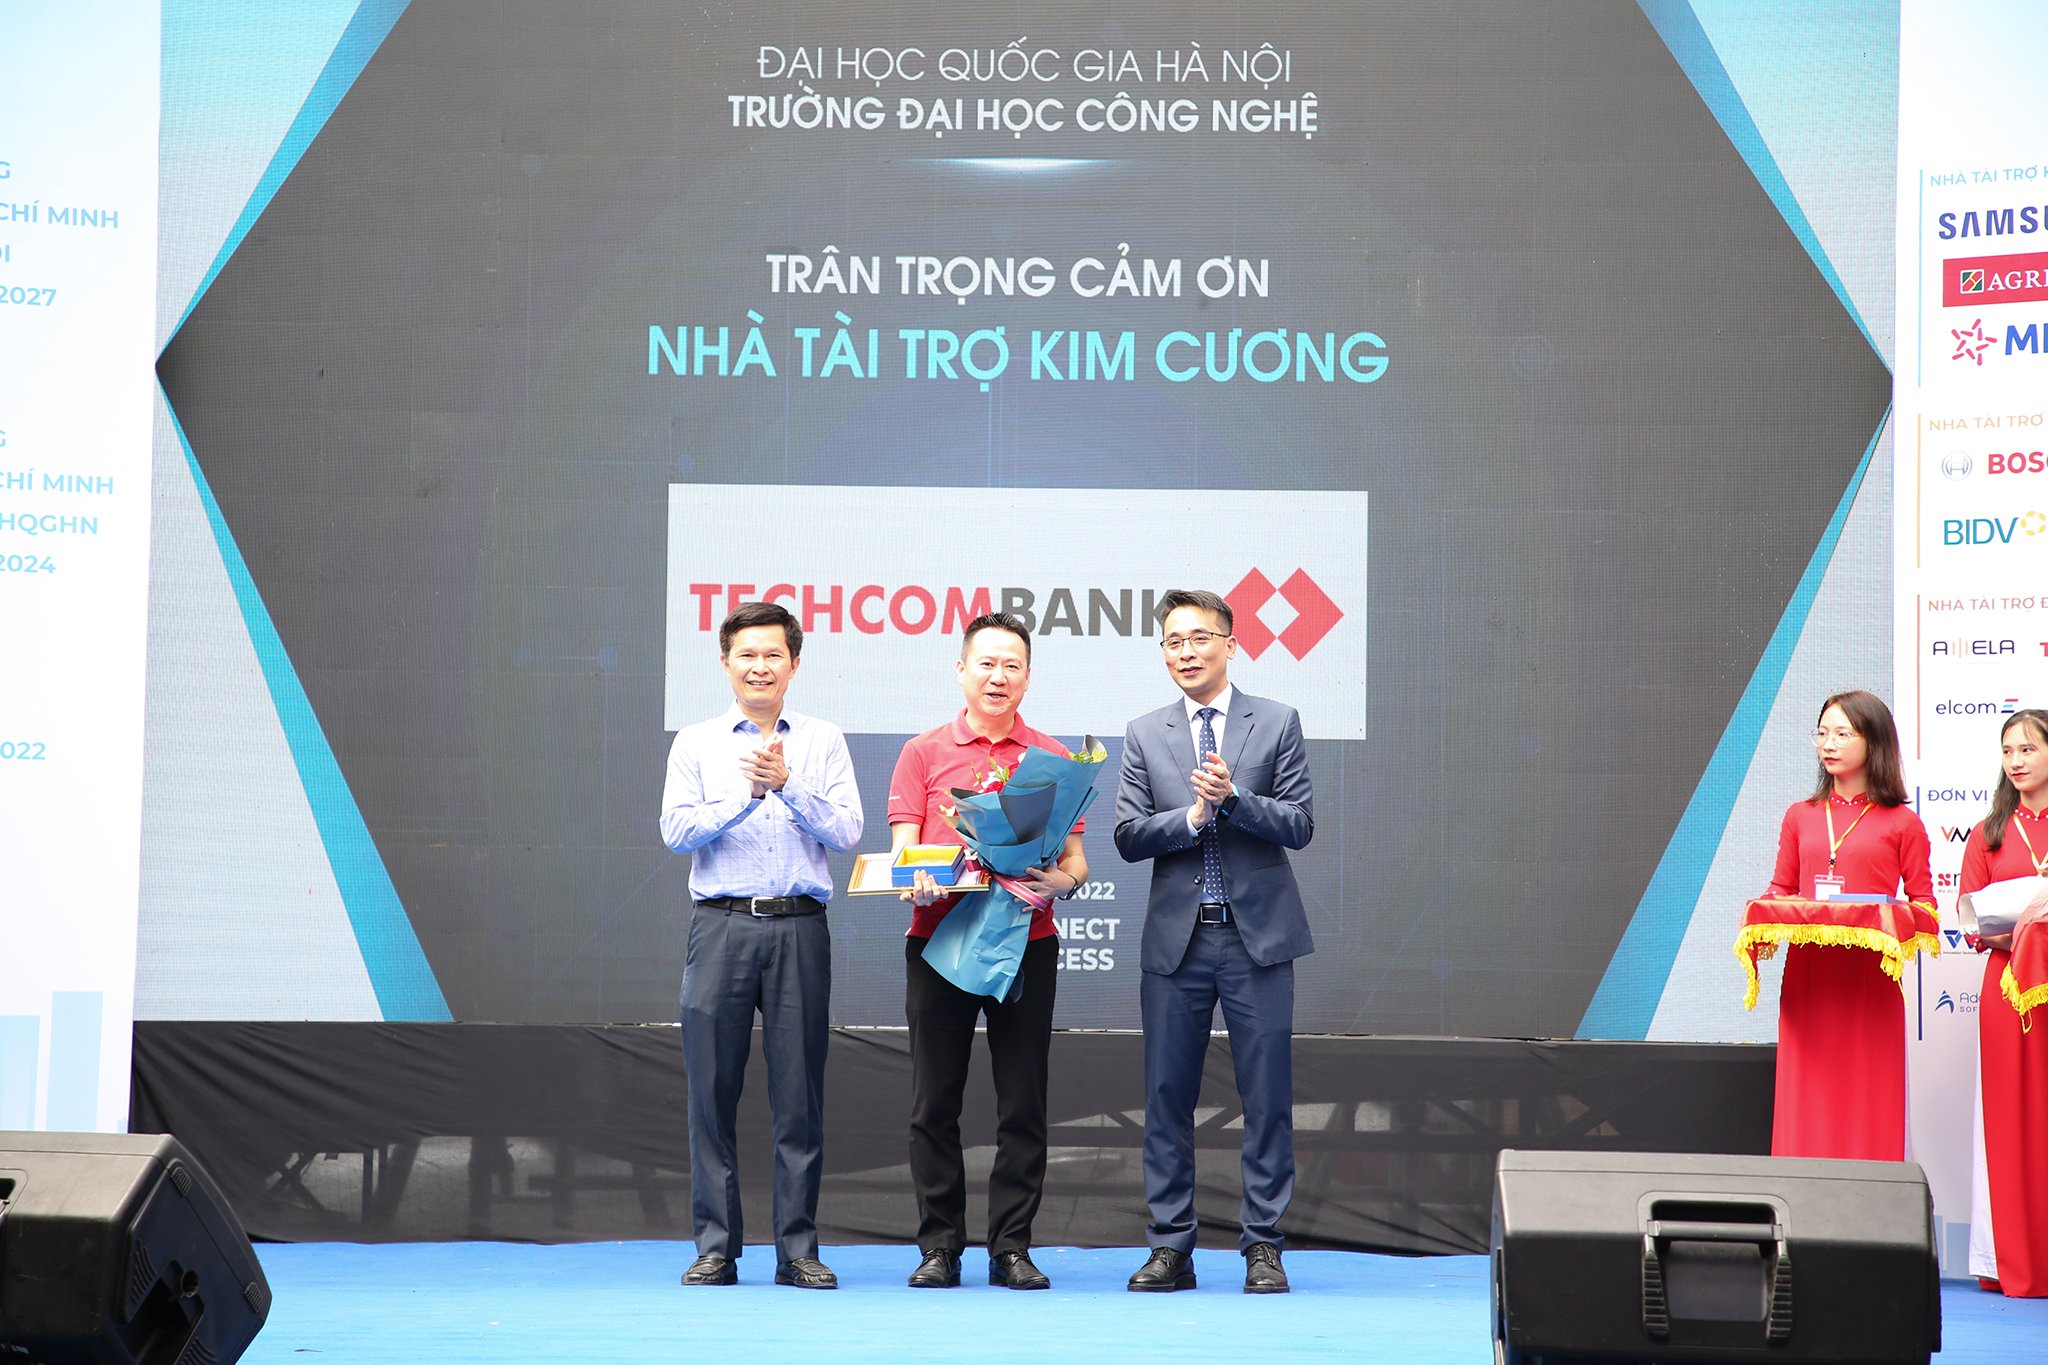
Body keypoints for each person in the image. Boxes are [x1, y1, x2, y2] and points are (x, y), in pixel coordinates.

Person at [1113, 589, 1314, 1294]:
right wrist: (1195, 817)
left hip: (1258, 940)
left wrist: (1234, 801)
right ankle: (1171, 1247)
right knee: (1167, 1097)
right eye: (1173, 641)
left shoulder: (1277, 721)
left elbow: (1299, 824)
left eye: (1200, 638)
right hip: (1179, 943)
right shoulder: (1145, 732)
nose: (1186, 652)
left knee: (1268, 1097)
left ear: (1231, 644)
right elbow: (1128, 835)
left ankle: (1264, 1245)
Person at [659, 601, 863, 1289]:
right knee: (711, 1090)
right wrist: (745, 796)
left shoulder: (824, 740)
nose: (760, 666)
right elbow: (675, 832)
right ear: (725, 663)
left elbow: (848, 831)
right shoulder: (696, 742)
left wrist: (788, 786)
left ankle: (797, 1249)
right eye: (746, 654)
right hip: (721, 924)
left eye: (773, 654)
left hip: (800, 925)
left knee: (798, 1093)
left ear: (794, 663)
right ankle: (716, 1247)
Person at [887, 611, 1088, 1291]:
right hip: (938, 941)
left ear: (1027, 677)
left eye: (1012, 666)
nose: (998, 676)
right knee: (933, 1102)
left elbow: (1075, 862)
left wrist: (1057, 881)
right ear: (961, 670)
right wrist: (916, 877)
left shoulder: (1054, 760)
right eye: (987, 663)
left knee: (1022, 1102)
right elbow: (903, 853)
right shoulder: (923, 752)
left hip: (1026, 942)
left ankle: (1011, 1248)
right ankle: (939, 1247)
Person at [1762, 689, 1933, 1161]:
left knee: (1866, 1093)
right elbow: (1780, 889)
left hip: (1869, 979)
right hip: (1810, 975)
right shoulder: (1800, 815)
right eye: (1822, 734)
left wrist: (1880, 916)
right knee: (1806, 1096)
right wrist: (1763, 915)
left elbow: (1925, 909)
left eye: (1842, 734)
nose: (1828, 744)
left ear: (1873, 741)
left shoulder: (1903, 822)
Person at [1962, 708, 2048, 1297]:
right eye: (2008, 750)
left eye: (2028, 749)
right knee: (2010, 1120)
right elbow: (1970, 921)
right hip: (2010, 988)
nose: (2015, 761)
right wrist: (2020, 928)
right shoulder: (1987, 832)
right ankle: (2014, 1258)